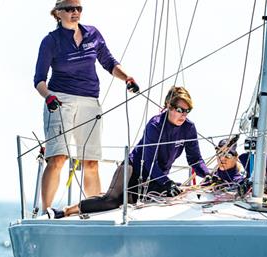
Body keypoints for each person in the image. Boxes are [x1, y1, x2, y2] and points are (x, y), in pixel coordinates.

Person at [34, 0, 139, 210]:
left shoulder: (92, 34)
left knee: (90, 162)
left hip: (90, 101)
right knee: (58, 158)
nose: (75, 12)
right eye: (70, 8)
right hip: (60, 100)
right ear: (58, 13)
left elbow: (109, 62)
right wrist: (49, 97)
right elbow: (39, 80)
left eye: (79, 8)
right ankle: (45, 210)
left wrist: (126, 78)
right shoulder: (50, 41)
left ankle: (95, 210)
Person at [50, 86, 211, 218]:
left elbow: (195, 159)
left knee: (171, 196)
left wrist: (208, 174)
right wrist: (166, 182)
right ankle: (66, 211)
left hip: (155, 176)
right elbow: (149, 162)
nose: (183, 114)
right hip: (133, 168)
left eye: (187, 110)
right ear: (168, 106)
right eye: (179, 109)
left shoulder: (189, 128)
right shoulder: (155, 125)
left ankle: (111, 192)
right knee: (111, 201)